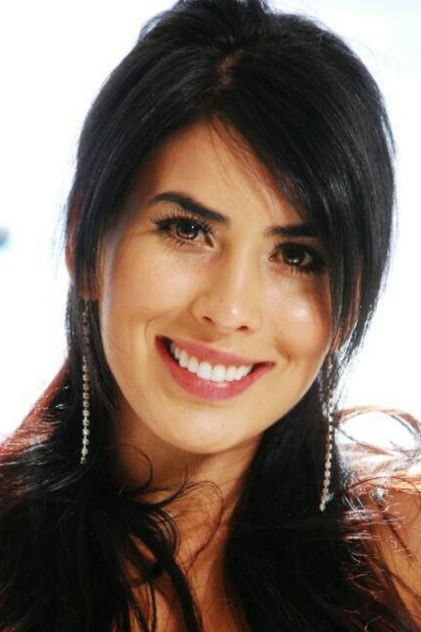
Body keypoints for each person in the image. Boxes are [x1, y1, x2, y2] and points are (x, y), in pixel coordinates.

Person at [0, 0, 420, 630]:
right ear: (83, 242)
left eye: (296, 256)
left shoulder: (404, 557)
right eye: (187, 229)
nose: (228, 310)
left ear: (350, 298)